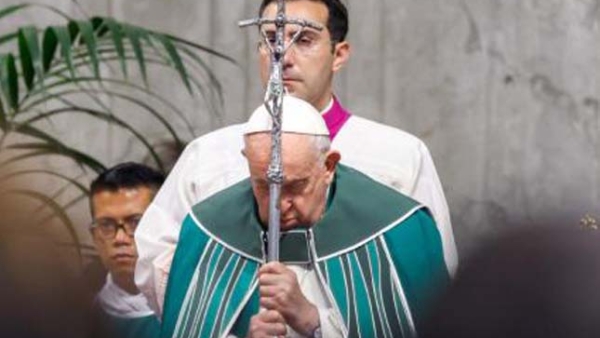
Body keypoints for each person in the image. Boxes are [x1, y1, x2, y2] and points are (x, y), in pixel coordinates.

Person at [135, 0, 458, 316]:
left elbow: (431, 271)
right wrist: (232, 321)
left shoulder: (397, 155)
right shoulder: (207, 156)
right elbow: (157, 261)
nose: (283, 57)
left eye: (304, 40)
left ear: (339, 54)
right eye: (271, 40)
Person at [159, 96, 450, 338]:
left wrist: (311, 319)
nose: (279, 205)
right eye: (263, 186)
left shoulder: (398, 229)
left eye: (295, 186)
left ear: (329, 165)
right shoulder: (208, 232)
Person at [89, 162, 165, 338]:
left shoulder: (192, 309)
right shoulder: (77, 316)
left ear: (164, 227)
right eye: (106, 225)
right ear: (94, 236)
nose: (119, 239)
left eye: (135, 222)